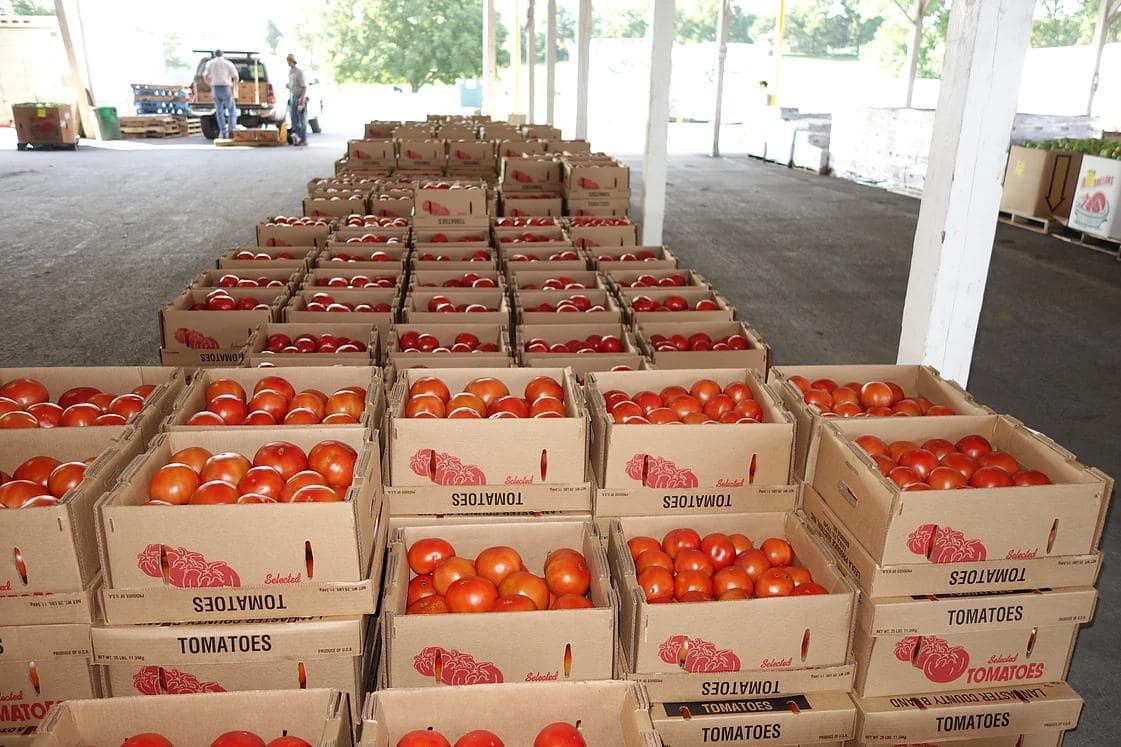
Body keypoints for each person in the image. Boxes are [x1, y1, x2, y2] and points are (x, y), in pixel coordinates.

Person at [204, 50, 239, 139]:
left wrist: (209, 84)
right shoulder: (228, 63)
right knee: (231, 110)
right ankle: (231, 130)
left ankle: (223, 132)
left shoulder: (210, 63)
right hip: (226, 88)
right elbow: (235, 76)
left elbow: (205, 76)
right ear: (222, 54)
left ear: (214, 55)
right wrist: (235, 87)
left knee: (219, 111)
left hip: (215, 88)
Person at [286, 53, 308, 146]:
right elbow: (292, 84)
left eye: (289, 60)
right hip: (293, 96)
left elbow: (304, 87)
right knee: (294, 119)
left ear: (292, 61)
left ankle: (303, 139)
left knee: (302, 119)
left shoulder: (299, 72)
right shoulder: (290, 72)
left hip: (299, 97)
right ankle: (299, 137)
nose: (288, 62)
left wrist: (302, 99)